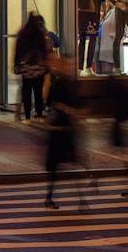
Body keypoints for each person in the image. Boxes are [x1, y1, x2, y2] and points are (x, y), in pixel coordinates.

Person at [43, 55, 84, 208]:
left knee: (66, 164)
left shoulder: (67, 83)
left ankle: (77, 198)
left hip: (64, 129)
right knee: (62, 165)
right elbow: (51, 102)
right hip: (60, 130)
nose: (68, 67)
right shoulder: (59, 82)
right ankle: (53, 196)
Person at [14, 14, 51, 124]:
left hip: (26, 68)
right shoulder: (40, 35)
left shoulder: (23, 34)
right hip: (38, 68)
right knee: (38, 92)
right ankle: (39, 115)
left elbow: (18, 52)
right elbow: (44, 51)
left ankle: (27, 118)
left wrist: (16, 64)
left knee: (26, 92)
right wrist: (46, 66)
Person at [76, 0, 105, 76]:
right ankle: (79, 67)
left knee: (93, 39)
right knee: (82, 39)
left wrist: (103, 8)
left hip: (95, 12)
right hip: (82, 11)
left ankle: (88, 67)